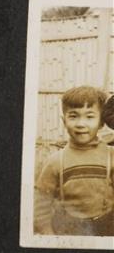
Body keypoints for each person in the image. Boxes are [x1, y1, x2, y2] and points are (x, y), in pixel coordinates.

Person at [34, 86, 114, 236]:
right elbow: (41, 204)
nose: (81, 124)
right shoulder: (55, 161)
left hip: (107, 229)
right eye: (73, 116)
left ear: (101, 122)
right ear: (64, 121)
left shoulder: (111, 156)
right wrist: (47, 233)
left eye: (89, 117)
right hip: (70, 230)